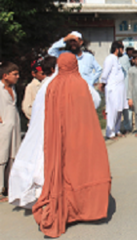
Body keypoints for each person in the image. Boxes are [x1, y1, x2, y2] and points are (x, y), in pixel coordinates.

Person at [31, 53, 111, 238]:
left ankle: (67, 210)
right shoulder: (80, 84)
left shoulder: (53, 85)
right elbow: (91, 110)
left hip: (60, 138)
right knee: (83, 169)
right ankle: (87, 209)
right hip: (82, 137)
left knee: (64, 171)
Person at [9, 59, 102, 209]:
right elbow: (94, 101)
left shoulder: (46, 87)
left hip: (46, 136)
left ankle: (50, 199)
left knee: (46, 167)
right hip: (64, 134)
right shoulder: (67, 84)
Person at [0, 62, 21, 201]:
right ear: (5, 75)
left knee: (13, 157)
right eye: (15, 74)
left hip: (14, 125)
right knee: (1, 158)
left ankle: (10, 187)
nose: (17, 77)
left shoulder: (13, 89)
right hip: (3, 127)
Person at [100, 41, 127, 139]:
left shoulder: (117, 60)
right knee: (113, 110)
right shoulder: (110, 59)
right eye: (122, 49)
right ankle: (110, 132)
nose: (123, 51)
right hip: (113, 89)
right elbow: (105, 72)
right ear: (117, 49)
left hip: (120, 89)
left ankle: (117, 130)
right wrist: (102, 83)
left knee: (119, 110)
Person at [119, 46, 134, 133]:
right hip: (118, 88)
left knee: (127, 108)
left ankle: (128, 127)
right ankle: (118, 128)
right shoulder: (112, 59)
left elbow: (128, 73)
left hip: (126, 86)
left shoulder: (124, 59)